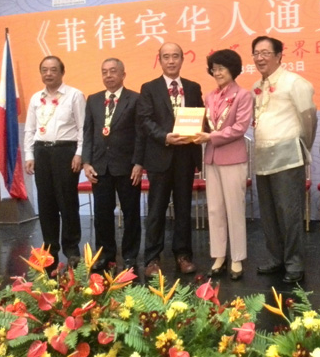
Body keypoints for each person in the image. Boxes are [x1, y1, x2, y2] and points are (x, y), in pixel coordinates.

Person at [252, 36, 317, 283]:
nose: (260, 58)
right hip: (262, 157)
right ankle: (275, 258)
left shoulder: (294, 82)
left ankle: (294, 263)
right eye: (256, 53)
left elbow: (309, 119)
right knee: (268, 213)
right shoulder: (256, 86)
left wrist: (302, 146)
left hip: (288, 157)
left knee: (289, 213)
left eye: (265, 53)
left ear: (279, 55)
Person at [138, 42, 204, 277]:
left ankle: (183, 256)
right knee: (156, 209)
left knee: (184, 208)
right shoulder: (149, 88)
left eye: (175, 56)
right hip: (160, 155)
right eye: (166, 57)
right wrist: (165, 136)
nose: (171, 61)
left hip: (185, 156)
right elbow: (145, 120)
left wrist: (198, 130)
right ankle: (152, 259)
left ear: (182, 59)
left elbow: (200, 117)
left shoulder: (193, 87)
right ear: (160, 60)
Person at [193, 49, 252, 280]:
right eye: (214, 69)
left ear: (233, 69)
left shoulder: (243, 95)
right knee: (215, 209)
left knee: (235, 209)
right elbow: (206, 125)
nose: (217, 73)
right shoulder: (210, 96)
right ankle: (218, 256)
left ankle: (237, 258)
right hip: (212, 158)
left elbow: (240, 128)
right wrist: (192, 131)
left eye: (221, 68)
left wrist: (210, 137)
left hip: (233, 159)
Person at [82, 58, 144, 273]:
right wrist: (86, 162)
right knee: (102, 215)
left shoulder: (135, 99)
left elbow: (140, 134)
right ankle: (105, 255)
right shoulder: (93, 100)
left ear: (123, 74)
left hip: (127, 167)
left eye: (113, 71)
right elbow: (88, 132)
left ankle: (130, 256)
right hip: (100, 166)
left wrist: (138, 162)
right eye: (104, 71)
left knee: (131, 213)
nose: (108, 75)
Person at [24, 55, 86, 271]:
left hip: (65, 152)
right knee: (46, 203)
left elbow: (82, 128)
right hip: (41, 152)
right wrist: (29, 155)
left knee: (67, 202)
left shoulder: (74, 95)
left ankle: (72, 250)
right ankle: (50, 251)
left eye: (53, 70)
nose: (48, 74)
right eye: (44, 70)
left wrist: (79, 154)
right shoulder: (35, 98)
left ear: (62, 72)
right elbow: (30, 129)